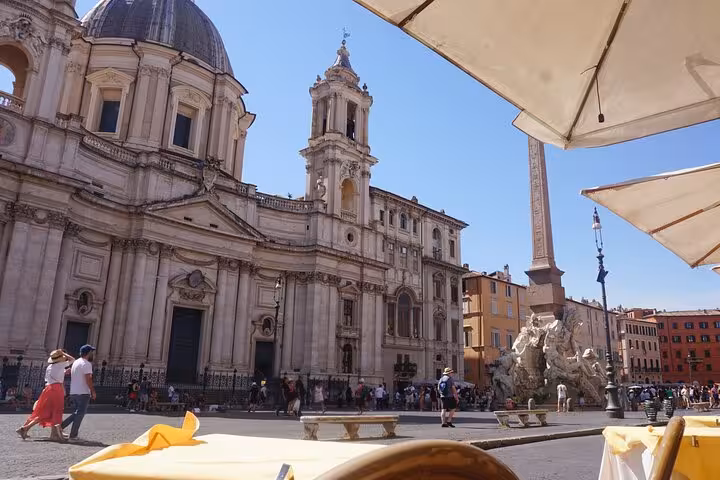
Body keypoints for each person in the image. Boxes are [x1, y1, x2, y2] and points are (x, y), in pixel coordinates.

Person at [16, 349, 74, 441]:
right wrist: (63, 353)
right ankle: (53, 434)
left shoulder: (50, 367)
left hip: (48, 389)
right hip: (56, 389)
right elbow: (72, 360)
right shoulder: (60, 365)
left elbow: (54, 376)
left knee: (45, 412)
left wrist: (63, 372)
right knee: (57, 410)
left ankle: (26, 428)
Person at [60, 344, 96, 441]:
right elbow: (88, 379)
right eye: (92, 352)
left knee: (77, 413)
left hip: (74, 391)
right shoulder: (87, 364)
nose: (92, 354)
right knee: (79, 414)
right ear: (88, 353)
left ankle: (63, 429)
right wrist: (93, 391)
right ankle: (70, 433)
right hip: (83, 392)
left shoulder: (76, 362)